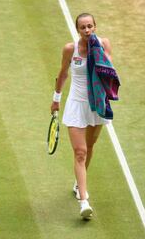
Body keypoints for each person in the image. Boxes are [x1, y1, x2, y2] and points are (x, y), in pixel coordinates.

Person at [50, 13, 113, 219]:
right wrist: (56, 98)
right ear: (78, 30)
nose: (87, 30)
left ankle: (78, 184)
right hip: (76, 105)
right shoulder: (70, 49)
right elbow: (63, 73)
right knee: (80, 152)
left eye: (90, 26)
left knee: (90, 147)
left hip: (96, 105)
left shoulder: (103, 44)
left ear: (95, 27)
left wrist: (99, 54)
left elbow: (109, 71)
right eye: (83, 27)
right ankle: (84, 201)